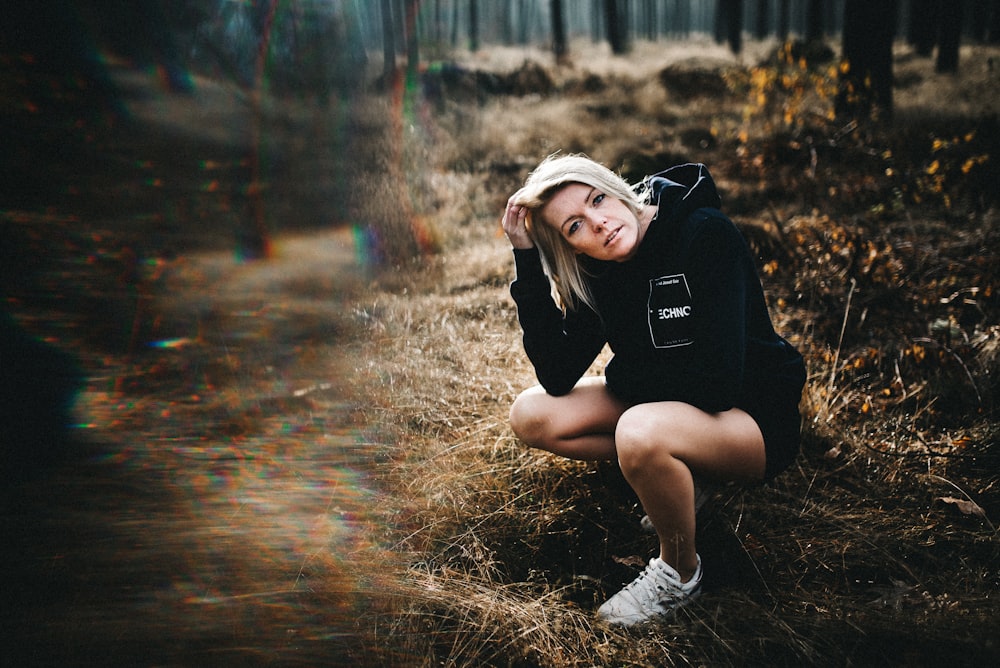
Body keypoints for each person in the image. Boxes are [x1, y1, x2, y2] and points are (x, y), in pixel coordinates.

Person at [501, 154, 806, 626]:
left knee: (638, 432)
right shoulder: (600, 268)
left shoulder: (703, 233)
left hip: (753, 416)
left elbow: (719, 381)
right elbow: (557, 375)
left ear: (615, 187)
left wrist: (625, 383)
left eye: (597, 199)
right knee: (531, 414)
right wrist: (525, 255)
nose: (599, 224)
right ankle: (677, 476)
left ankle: (680, 572)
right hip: (673, 404)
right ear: (571, 248)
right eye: (575, 226)